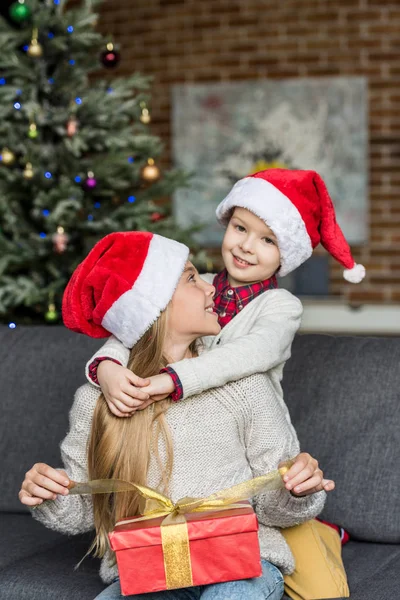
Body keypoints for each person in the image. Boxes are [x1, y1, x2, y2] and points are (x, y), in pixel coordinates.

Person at [19, 231, 327, 600]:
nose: (213, 289)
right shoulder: (96, 401)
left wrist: (297, 489)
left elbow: (277, 510)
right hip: (150, 569)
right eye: (193, 279)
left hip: (242, 566)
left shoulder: (245, 387)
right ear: (156, 306)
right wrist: (50, 493)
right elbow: (84, 512)